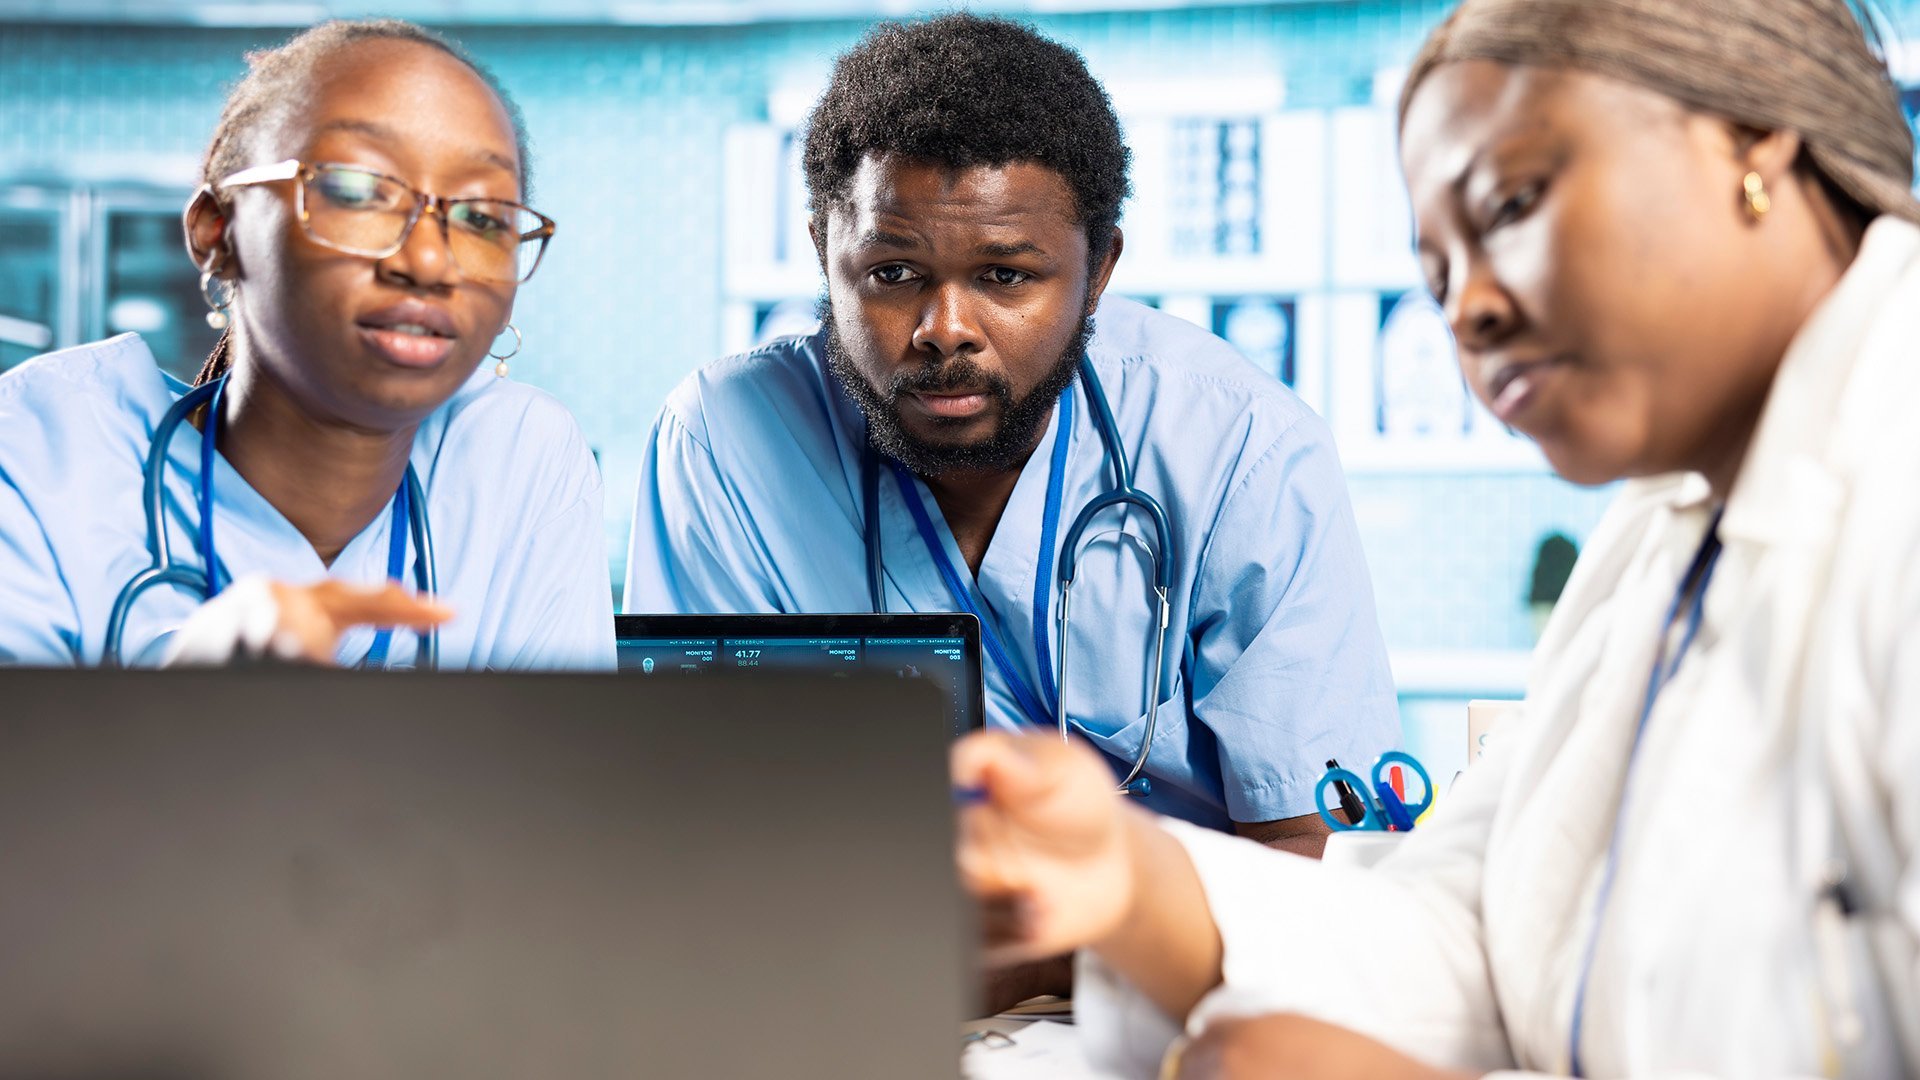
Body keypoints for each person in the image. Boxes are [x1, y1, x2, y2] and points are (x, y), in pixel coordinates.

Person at [954, 0, 1920, 1076]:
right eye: (1438, 276)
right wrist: (1125, 876)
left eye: (1510, 204)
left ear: (1754, 132)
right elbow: (1478, 942)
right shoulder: (1657, 542)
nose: (1470, 310)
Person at [626, 13, 1398, 849]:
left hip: (1177, 971)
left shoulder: (1242, 451)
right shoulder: (726, 443)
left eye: (1004, 275)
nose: (944, 329)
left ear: (1099, 269)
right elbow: (693, 816)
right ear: (824, 253)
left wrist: (1060, 955)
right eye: (893, 274)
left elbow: (1319, 860)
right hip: (841, 957)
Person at [0, 19, 613, 670]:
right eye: (357, 190)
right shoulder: (41, 449)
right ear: (217, 230)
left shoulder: (515, 461)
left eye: (482, 218)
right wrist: (181, 709)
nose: (431, 261)